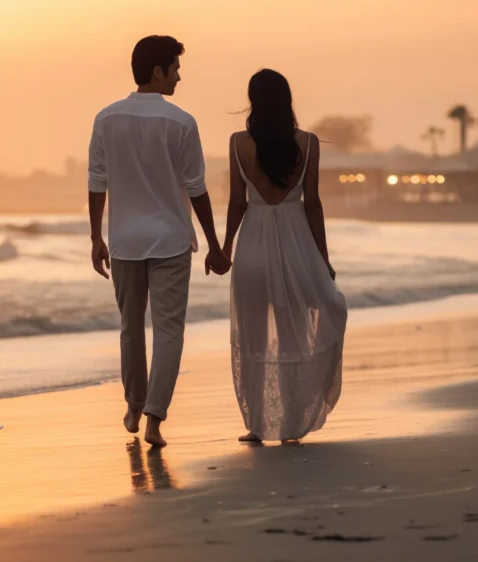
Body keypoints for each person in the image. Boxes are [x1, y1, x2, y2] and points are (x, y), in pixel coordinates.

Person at [88, 35, 231, 447]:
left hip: (125, 241)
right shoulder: (181, 122)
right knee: (169, 330)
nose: (179, 76)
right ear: (158, 71)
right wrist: (216, 245)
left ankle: (134, 405)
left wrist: (96, 236)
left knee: (130, 328)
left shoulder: (106, 118)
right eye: (175, 68)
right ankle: (154, 418)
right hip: (170, 239)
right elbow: (196, 188)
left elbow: (98, 181)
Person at [223, 69, 347, 443]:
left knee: (253, 337)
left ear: (253, 101)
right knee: (298, 334)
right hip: (295, 241)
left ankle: (257, 425)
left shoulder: (237, 143)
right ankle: (293, 422)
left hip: (253, 245)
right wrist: (322, 260)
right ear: (287, 99)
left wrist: (225, 248)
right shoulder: (308, 142)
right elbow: (313, 204)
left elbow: (236, 203)